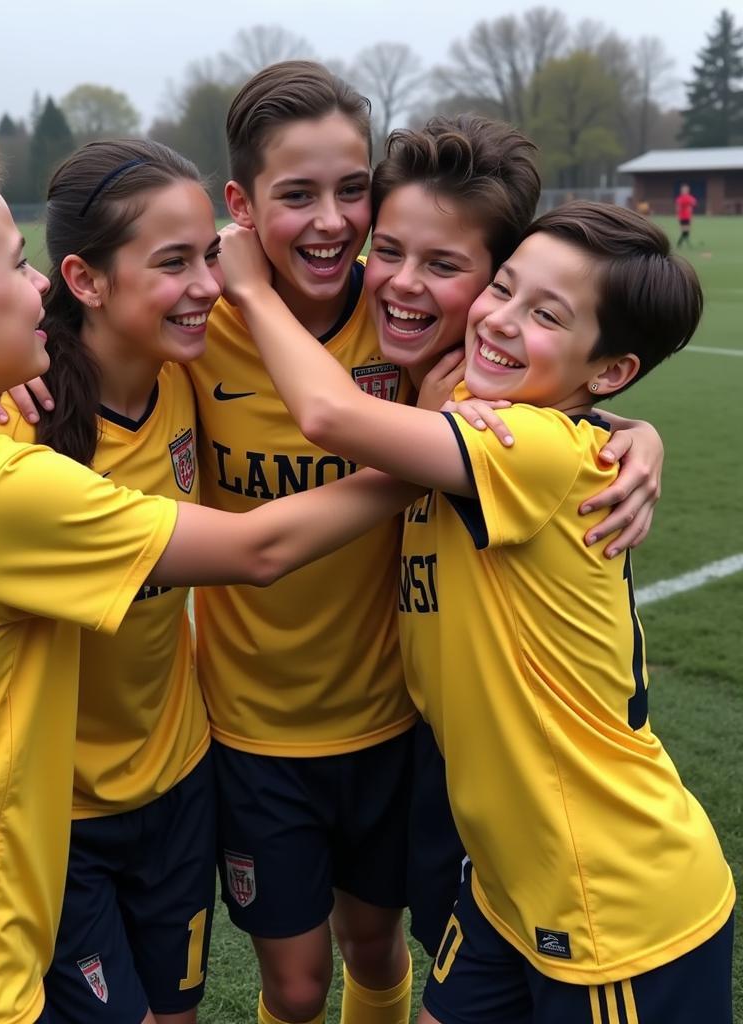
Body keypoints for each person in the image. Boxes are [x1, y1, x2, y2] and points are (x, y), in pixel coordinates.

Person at [0, 70, 667, 1024]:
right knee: (298, 984)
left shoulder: (412, 329)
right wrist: (14, 379)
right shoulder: (201, 329)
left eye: (353, 191)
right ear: (242, 206)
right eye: (298, 195)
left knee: (380, 947)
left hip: (396, 719)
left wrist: (627, 430)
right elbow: (99, 345)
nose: (333, 222)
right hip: (249, 727)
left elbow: (536, 404)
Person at [0, 115, 433, 1024]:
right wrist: (439, 457)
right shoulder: (0, 476)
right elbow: (259, 550)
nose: (37, 286)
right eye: (14, 263)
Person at [218, 200, 735, 1024]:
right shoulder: (475, 406)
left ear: (608, 371)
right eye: (502, 287)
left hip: (610, 897)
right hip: (505, 884)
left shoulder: (534, 447)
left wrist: (251, 290)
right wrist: (635, 426)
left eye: (545, 314)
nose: (497, 318)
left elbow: (330, 416)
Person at [0, 138, 222, 1024]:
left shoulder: (193, 373)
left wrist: (621, 424)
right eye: (172, 263)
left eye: (211, 255)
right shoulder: (13, 424)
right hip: (58, 810)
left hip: (180, 777)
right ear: (83, 280)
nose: (206, 284)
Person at [675, 183, 697, 248]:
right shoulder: (680, 198)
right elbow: (678, 207)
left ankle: (681, 243)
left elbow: (694, 204)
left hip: (688, 216)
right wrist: (677, 215)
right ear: (681, 191)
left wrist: (690, 208)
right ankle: (681, 243)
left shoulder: (690, 198)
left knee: (687, 231)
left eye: (686, 190)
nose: (684, 191)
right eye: (683, 190)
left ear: (688, 190)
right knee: (684, 231)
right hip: (682, 217)